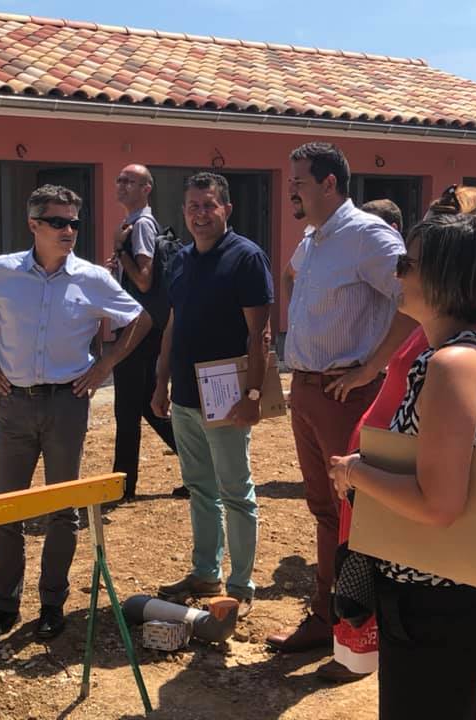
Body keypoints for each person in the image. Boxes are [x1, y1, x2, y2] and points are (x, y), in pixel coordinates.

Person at [327, 186, 476, 720]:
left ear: (446, 278)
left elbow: (439, 504)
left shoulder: (451, 365)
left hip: (437, 599)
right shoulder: (463, 355)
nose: (399, 273)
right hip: (443, 592)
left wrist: (356, 472)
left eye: (409, 262)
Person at [0, 184, 151, 645]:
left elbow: (140, 318)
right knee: (6, 508)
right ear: (34, 224)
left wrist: (104, 367)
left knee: (62, 512)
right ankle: (3, 605)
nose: (69, 231)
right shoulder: (3, 271)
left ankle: (52, 605)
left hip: (66, 404)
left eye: (75, 223)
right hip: (14, 403)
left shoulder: (91, 278)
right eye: (58, 222)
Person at [267, 143, 413, 654]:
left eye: (299, 182)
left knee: (353, 510)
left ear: (330, 184)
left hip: (345, 395)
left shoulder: (367, 237)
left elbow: (414, 302)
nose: (291, 191)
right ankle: (330, 621)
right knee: (324, 508)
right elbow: (292, 278)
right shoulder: (313, 241)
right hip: (308, 389)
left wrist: (373, 366)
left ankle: (359, 630)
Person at [152, 171, 274, 619]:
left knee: (235, 490)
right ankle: (206, 572)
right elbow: (172, 324)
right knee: (201, 488)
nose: (200, 214)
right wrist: (160, 379)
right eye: (193, 207)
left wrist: (254, 394)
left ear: (226, 208)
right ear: (184, 212)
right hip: (185, 393)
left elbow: (257, 334)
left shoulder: (246, 258)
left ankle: (240, 585)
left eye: (208, 205)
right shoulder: (181, 260)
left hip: (227, 394)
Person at [104, 164, 180, 501]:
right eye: (119, 180)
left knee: (128, 410)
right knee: (149, 405)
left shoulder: (141, 225)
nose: (121, 185)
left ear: (146, 188)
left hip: (139, 328)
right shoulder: (135, 224)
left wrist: (121, 251)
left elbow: (145, 279)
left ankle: (123, 485)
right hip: (143, 326)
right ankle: (201, 468)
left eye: (129, 181)